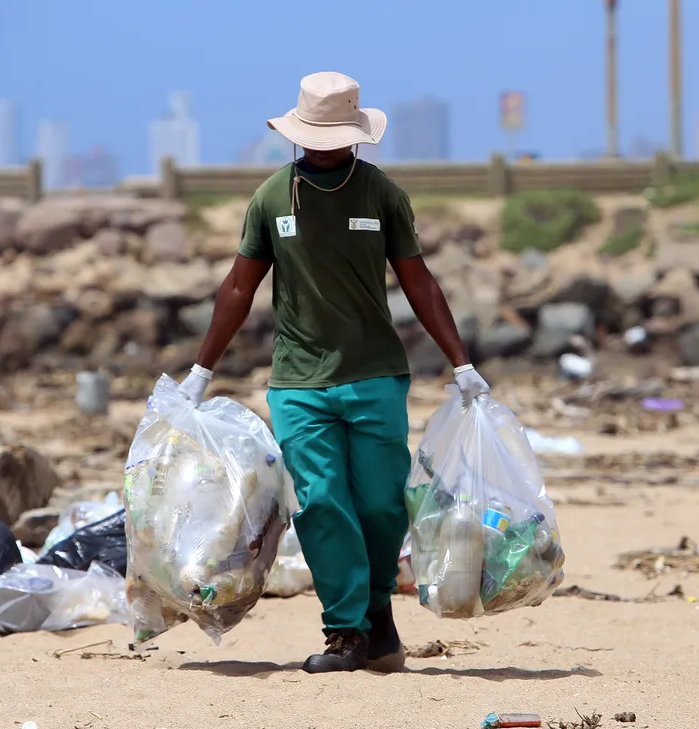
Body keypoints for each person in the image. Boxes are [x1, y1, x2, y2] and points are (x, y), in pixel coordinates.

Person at [179, 71, 489, 674]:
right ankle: (345, 632)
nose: (323, 148)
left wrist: (462, 361)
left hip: (375, 375)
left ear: (355, 135)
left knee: (379, 506)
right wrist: (201, 369)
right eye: (314, 137)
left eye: (335, 137)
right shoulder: (273, 197)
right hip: (298, 382)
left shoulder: (382, 194)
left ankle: (379, 617)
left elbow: (418, 281)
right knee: (322, 503)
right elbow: (240, 286)